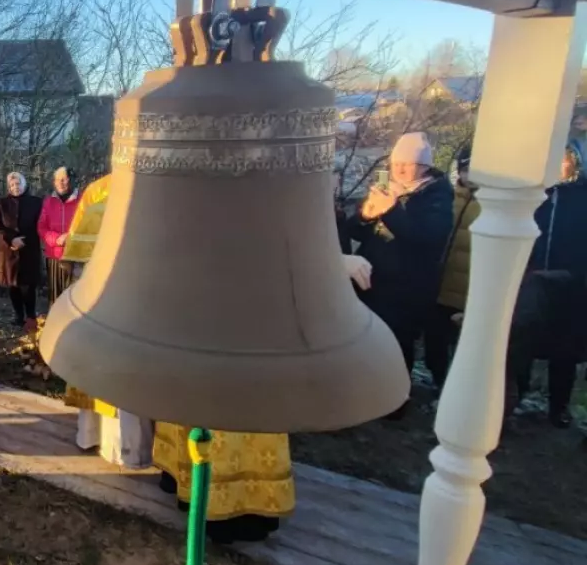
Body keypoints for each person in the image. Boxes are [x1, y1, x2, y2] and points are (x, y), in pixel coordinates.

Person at [155, 252, 378, 544]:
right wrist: (332, 261)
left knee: (211, 399)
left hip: (208, 302)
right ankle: (231, 509)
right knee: (236, 411)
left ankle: (194, 487)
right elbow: (269, 238)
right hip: (238, 311)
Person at [343, 132, 454, 419]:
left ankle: (396, 401)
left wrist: (390, 210)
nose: (401, 169)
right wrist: (366, 214)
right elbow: (356, 231)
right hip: (372, 277)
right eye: (397, 163)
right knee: (366, 336)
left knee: (397, 341)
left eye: (409, 164)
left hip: (409, 283)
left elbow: (425, 237)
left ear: (425, 167)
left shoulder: (436, 195)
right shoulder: (384, 186)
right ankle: (364, 391)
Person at [56, 173, 155, 468]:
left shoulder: (96, 191)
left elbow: (74, 259)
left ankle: (96, 438)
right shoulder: (149, 186)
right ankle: (132, 449)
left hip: (104, 295)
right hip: (131, 296)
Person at [507, 141, 587, 427]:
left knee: (564, 351)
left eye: (565, 161)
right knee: (523, 341)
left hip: (572, 286)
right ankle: (518, 397)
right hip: (533, 282)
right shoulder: (539, 196)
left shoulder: (582, 198)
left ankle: (558, 407)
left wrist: (575, 273)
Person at [424, 145, 479, 390]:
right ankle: (439, 385)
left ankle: (460, 394)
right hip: (440, 286)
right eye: (465, 169)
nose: (469, 175)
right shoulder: (448, 198)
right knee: (435, 343)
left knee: (466, 350)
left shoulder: (493, 205)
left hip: (471, 293)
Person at [0, 171, 43, 329]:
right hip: (9, 251)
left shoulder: (36, 202)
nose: (16, 187)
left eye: (18, 183)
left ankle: (31, 315)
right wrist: (11, 240)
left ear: (24, 184)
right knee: (13, 285)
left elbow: (41, 224)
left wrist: (25, 240)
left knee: (29, 285)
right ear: (9, 186)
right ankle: (18, 316)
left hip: (29, 249)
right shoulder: (1, 203)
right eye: (12, 185)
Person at [38, 166, 80, 305]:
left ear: (71, 180)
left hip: (76, 256)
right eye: (57, 180)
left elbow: (89, 225)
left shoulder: (82, 201)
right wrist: (56, 239)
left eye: (64, 179)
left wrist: (71, 236)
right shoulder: (49, 202)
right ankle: (57, 324)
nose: (61, 183)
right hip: (55, 256)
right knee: (56, 296)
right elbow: (41, 227)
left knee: (75, 296)